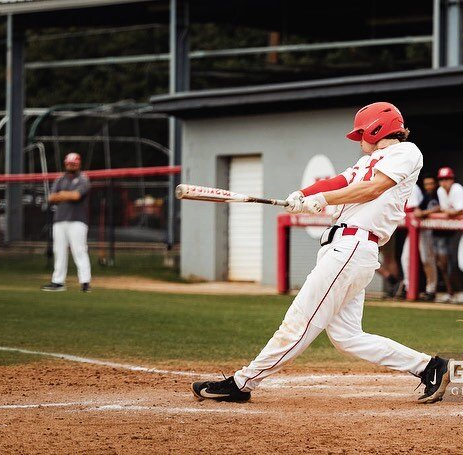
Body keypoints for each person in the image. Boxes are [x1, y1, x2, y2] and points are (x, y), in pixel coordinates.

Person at [191, 102, 449, 404]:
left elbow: (373, 189)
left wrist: (323, 198)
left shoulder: (406, 152)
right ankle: (429, 367)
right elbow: (341, 181)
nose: (359, 139)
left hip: (351, 248)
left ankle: (242, 382)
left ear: (377, 128)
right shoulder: (368, 161)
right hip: (344, 250)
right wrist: (304, 195)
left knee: (299, 322)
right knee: (347, 337)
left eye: (362, 132)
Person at [42, 153, 91, 292]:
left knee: (79, 250)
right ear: (65, 163)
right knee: (59, 251)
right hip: (60, 219)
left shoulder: (83, 179)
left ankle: (85, 282)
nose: (71, 165)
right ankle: (58, 282)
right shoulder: (60, 179)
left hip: (77, 220)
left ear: (79, 164)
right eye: (69, 163)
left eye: (74, 163)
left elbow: (76, 195)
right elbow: (51, 197)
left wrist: (62, 195)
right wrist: (65, 195)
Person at [413, 176, 441, 301]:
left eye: (431, 183)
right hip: (428, 232)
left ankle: (435, 290)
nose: (429, 186)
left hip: (441, 234)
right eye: (426, 184)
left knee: (441, 262)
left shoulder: (439, 193)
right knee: (427, 260)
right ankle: (430, 289)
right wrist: (420, 211)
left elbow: (441, 207)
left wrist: (424, 213)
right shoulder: (426, 195)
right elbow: (418, 209)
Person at [398, 184, 424, 298]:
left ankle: (430, 290)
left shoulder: (412, 186)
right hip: (413, 231)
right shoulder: (397, 185)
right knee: (406, 258)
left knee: (428, 259)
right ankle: (408, 288)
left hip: (423, 229)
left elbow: (412, 209)